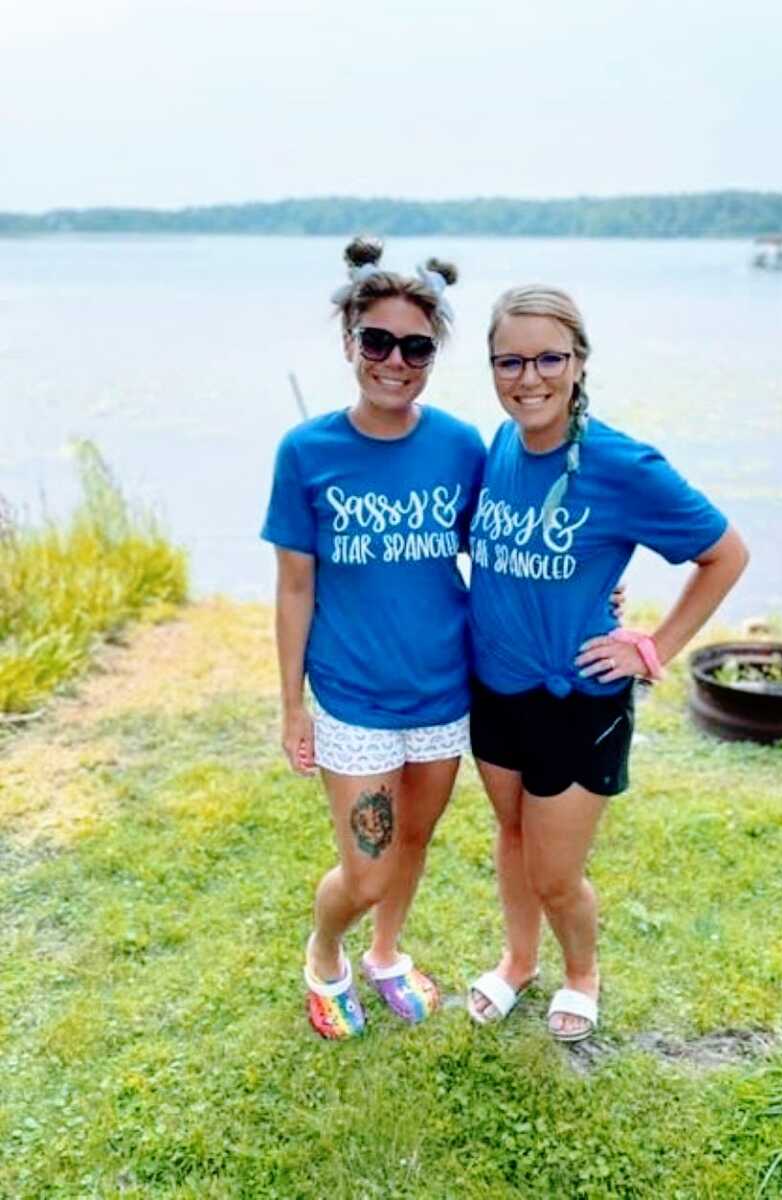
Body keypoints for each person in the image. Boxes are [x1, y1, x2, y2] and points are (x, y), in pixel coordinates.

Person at [466, 285, 749, 1042]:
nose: (530, 378)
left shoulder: (622, 464)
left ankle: (581, 974)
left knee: (556, 873)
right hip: (493, 690)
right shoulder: (498, 446)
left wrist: (650, 645)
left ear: (581, 363)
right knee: (513, 834)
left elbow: (724, 553)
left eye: (549, 358)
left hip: (577, 701)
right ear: (492, 369)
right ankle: (518, 961)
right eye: (510, 362)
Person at [261, 236, 484, 1039]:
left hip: (443, 691)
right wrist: (293, 706)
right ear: (352, 342)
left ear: (433, 354)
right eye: (378, 341)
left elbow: (497, 549)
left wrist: (597, 590)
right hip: (354, 700)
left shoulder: (460, 446)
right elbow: (294, 585)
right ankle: (327, 953)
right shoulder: (307, 453)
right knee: (366, 869)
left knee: (415, 839)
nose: (396, 360)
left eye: (416, 346)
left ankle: (387, 954)